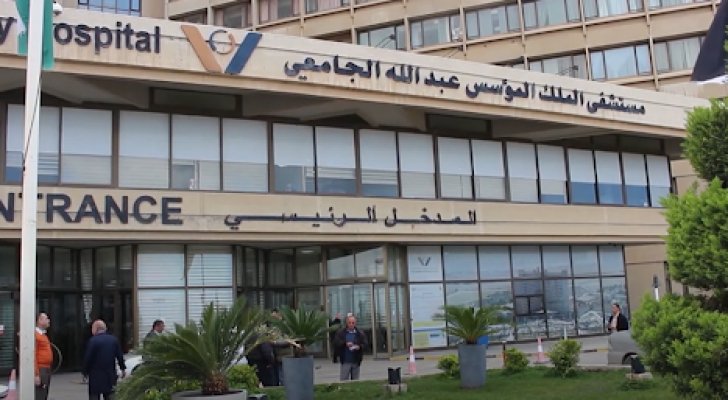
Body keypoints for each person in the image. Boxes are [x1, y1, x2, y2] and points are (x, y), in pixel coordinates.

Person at [83, 320, 126, 400]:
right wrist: (123, 369)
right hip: (110, 376)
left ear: (95, 329)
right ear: (105, 328)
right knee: (110, 395)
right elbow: (120, 356)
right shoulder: (113, 340)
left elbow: (88, 358)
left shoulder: (93, 341)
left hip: (95, 377)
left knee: (94, 396)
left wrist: (85, 372)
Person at [333, 315, 367, 381]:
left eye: (353, 323)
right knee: (344, 380)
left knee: (355, 381)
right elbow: (336, 343)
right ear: (346, 323)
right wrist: (345, 344)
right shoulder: (341, 333)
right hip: (345, 360)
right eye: (349, 323)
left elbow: (365, 344)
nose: (351, 324)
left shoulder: (360, 333)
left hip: (356, 361)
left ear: (355, 323)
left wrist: (359, 347)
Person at [35, 313, 53, 400]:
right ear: (40, 320)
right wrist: (36, 374)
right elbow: (33, 355)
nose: (48, 320)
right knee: (40, 394)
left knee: (44, 393)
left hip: (46, 368)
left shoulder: (43, 335)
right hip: (41, 368)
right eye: (46, 318)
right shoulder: (36, 335)